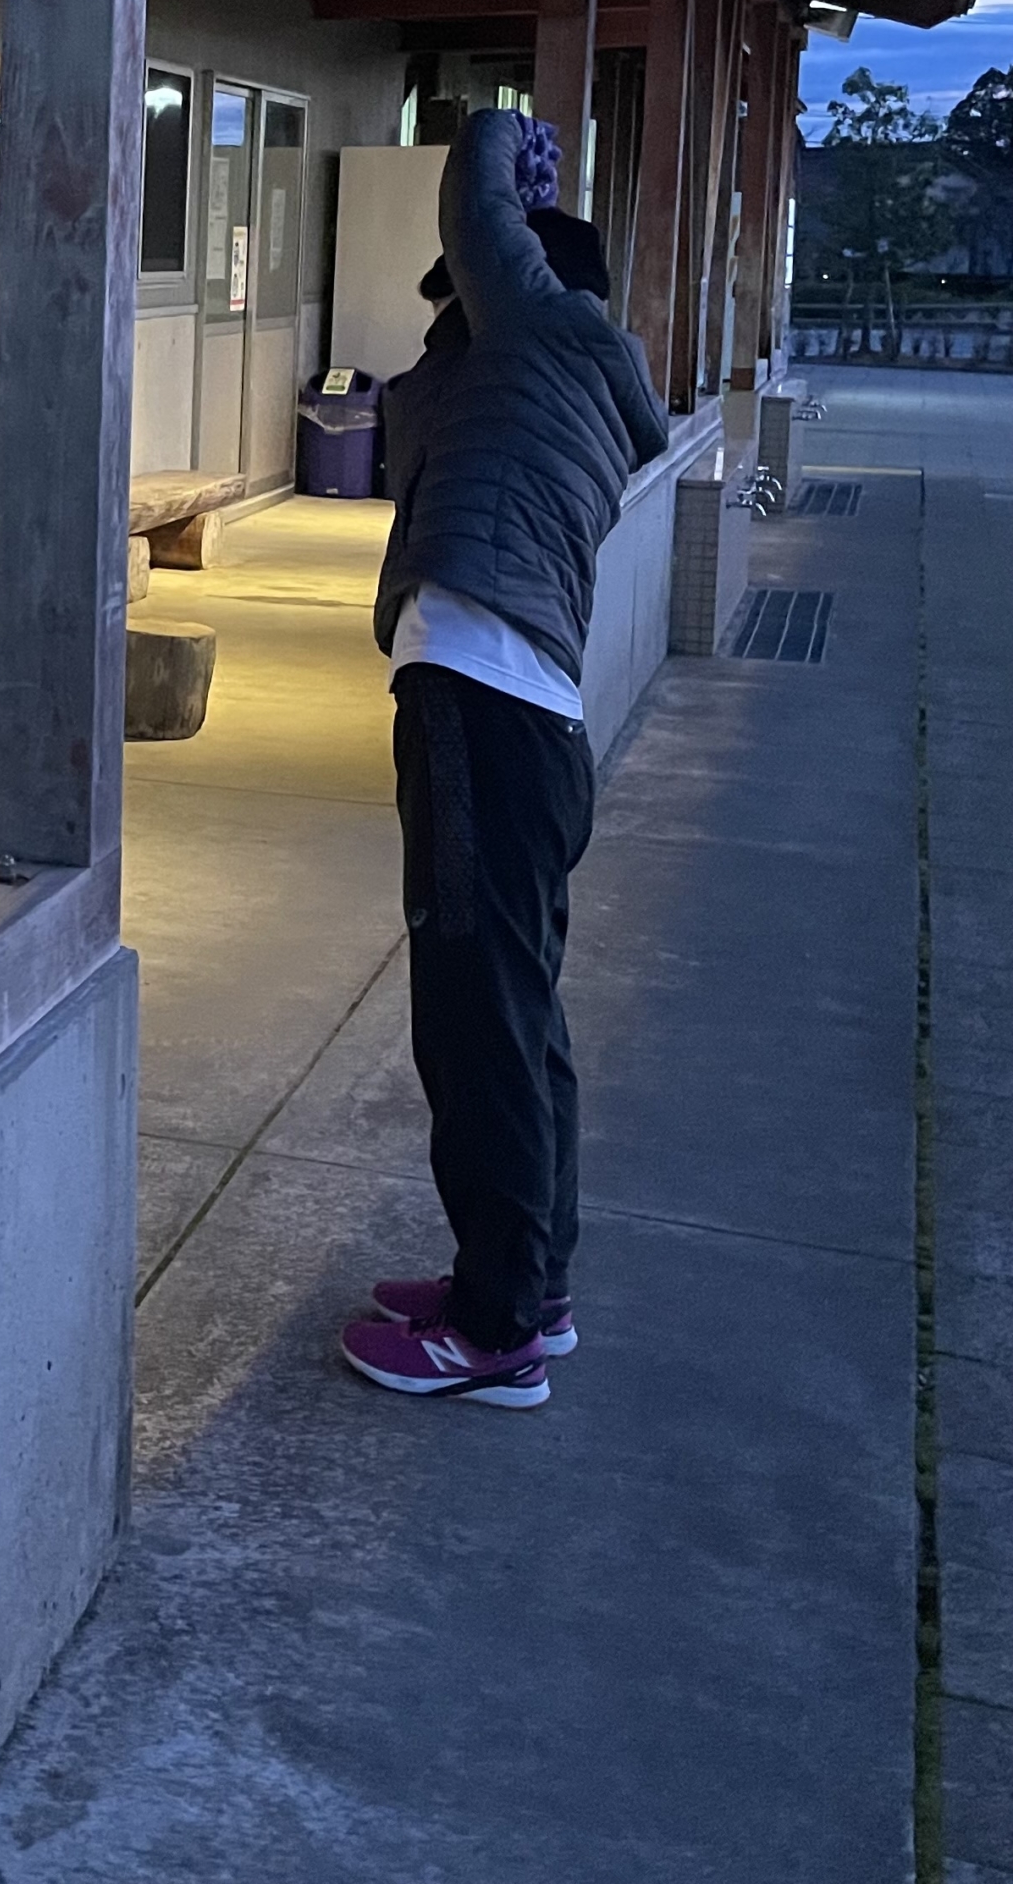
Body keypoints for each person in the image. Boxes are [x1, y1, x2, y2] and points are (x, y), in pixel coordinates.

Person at [341, 108, 669, 1406]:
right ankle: (532, 1282)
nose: (441, 321)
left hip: (479, 715)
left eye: (459, 296)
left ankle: (491, 1333)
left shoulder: (544, 334)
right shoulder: (564, 381)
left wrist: (508, 136)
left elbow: (478, 202)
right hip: (520, 726)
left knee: (476, 1027)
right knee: (522, 1022)